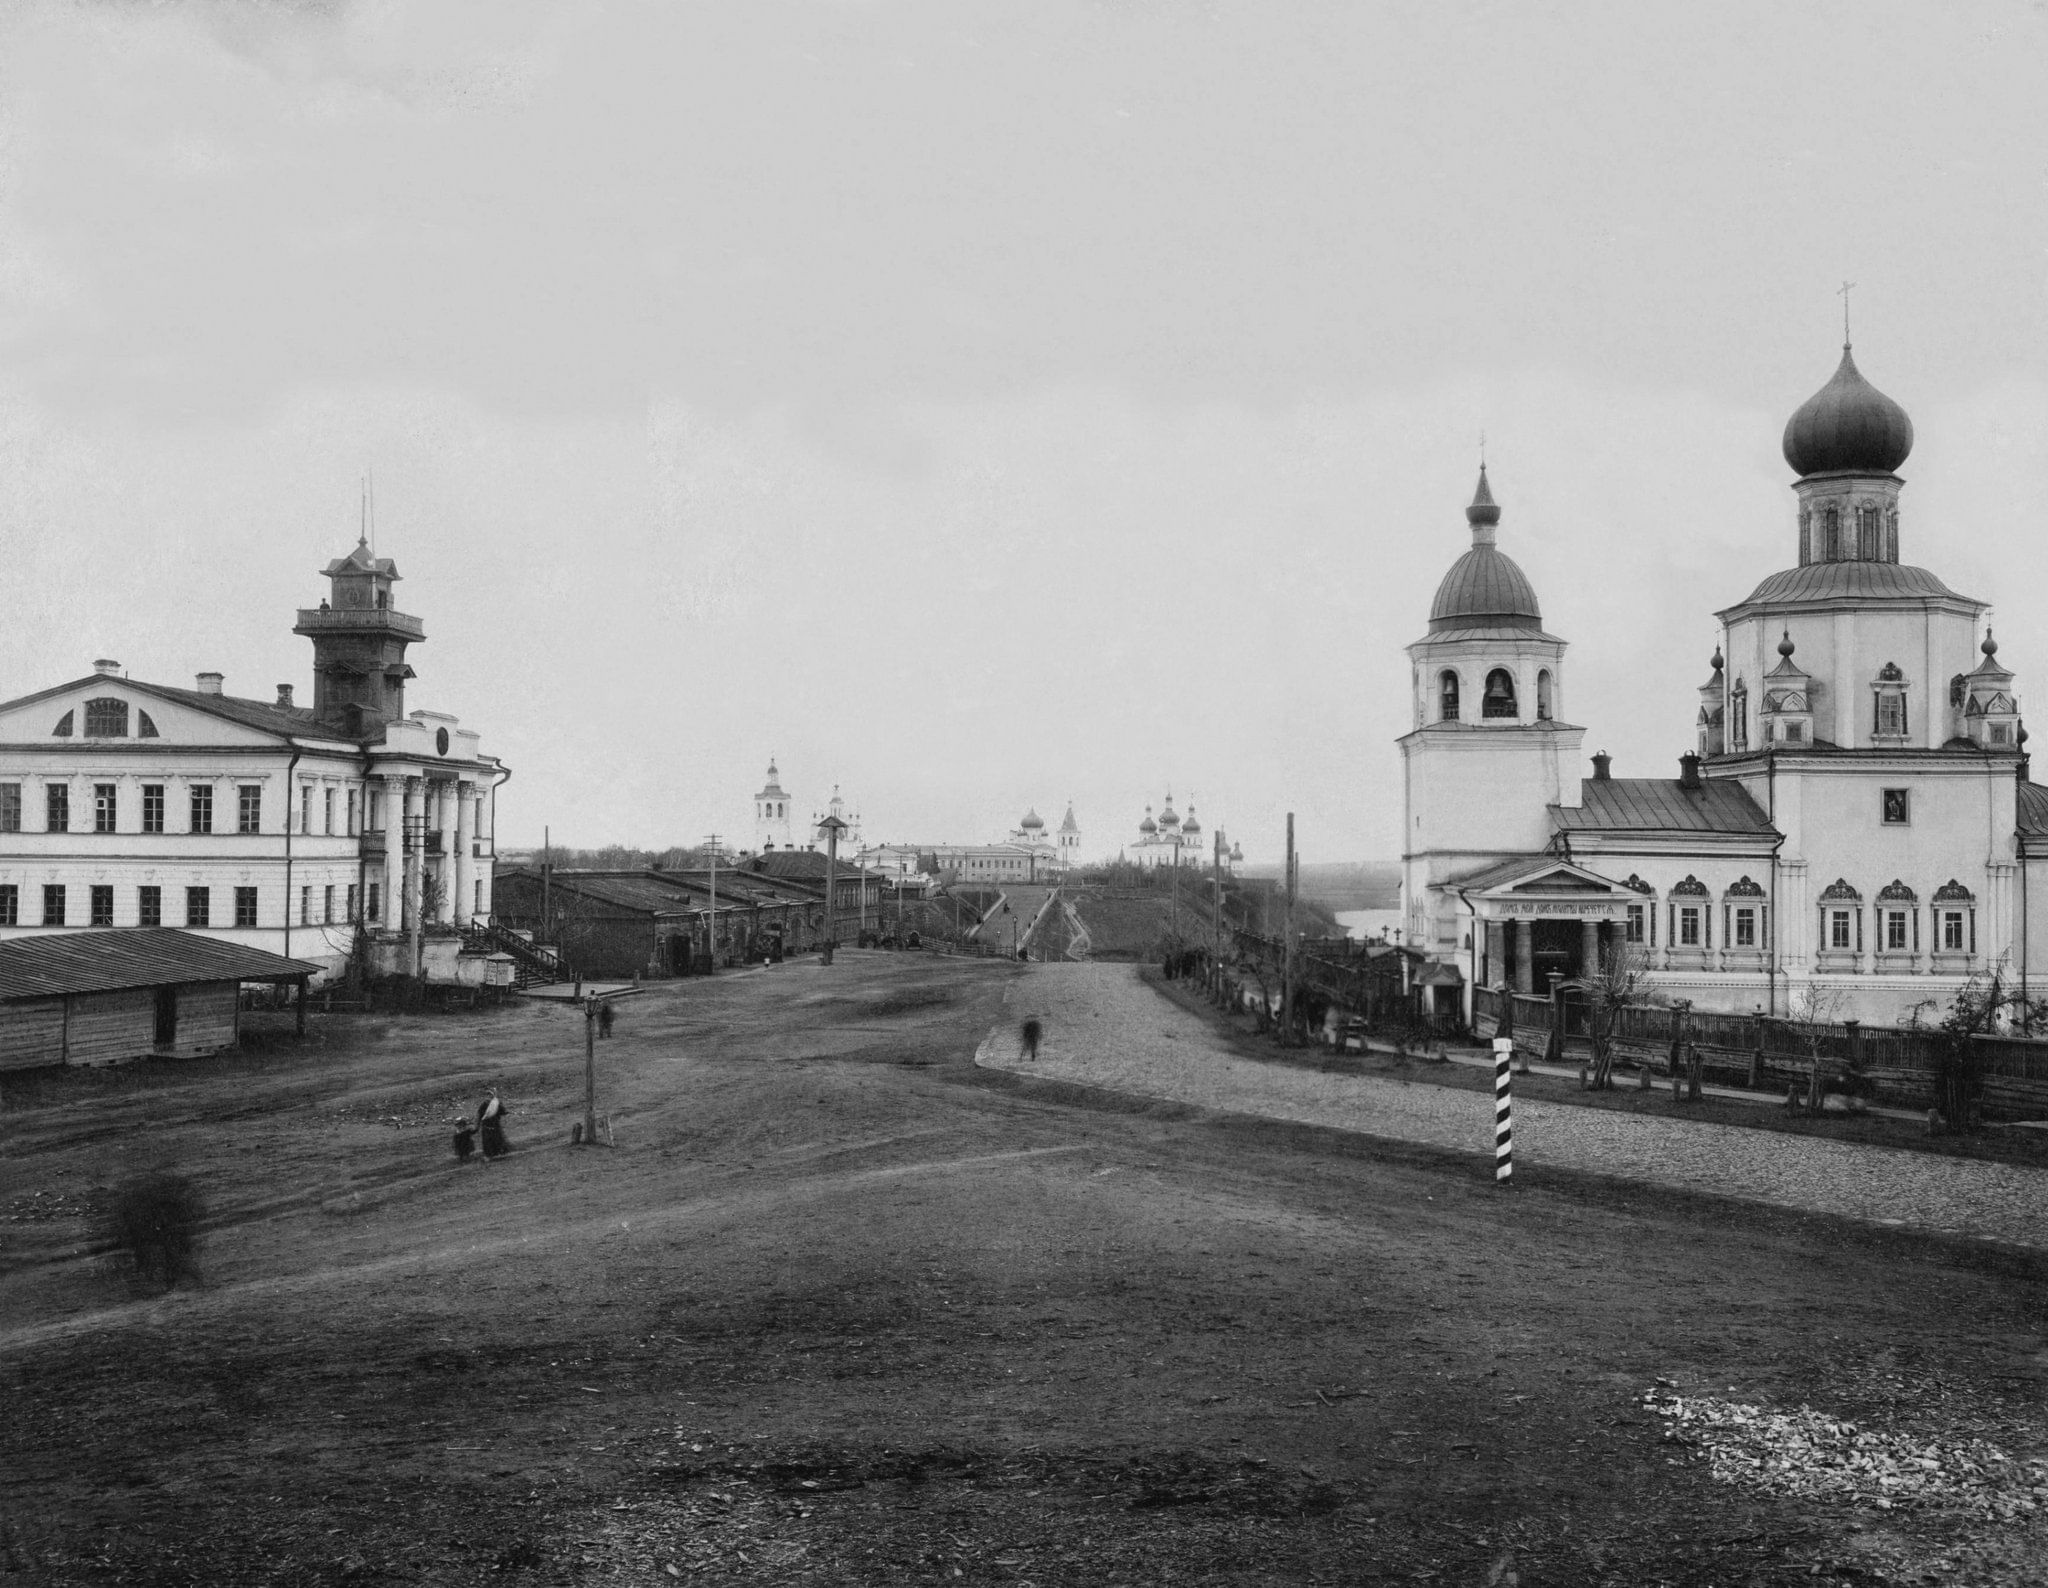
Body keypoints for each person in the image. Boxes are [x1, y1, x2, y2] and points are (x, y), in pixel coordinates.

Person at [477, 1091, 510, 1159]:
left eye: (491, 1095)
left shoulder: (496, 1103)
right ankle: (490, 1154)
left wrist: (505, 1111)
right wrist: (478, 1124)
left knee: (497, 1139)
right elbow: (480, 1115)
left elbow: (502, 1111)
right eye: (488, 1095)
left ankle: (499, 1152)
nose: (489, 1097)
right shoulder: (483, 1105)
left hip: (495, 1124)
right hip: (487, 1125)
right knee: (488, 1141)